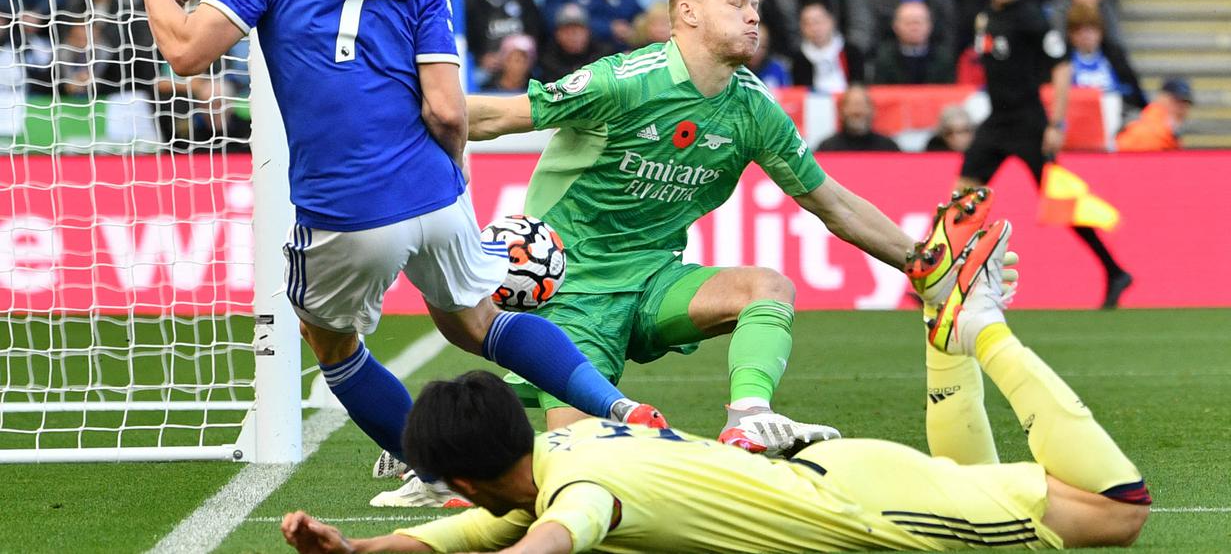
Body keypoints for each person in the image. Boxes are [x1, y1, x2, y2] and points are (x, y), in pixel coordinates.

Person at [139, 0, 667, 498]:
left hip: (346, 204)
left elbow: (188, 53)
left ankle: (440, 472)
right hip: (433, 189)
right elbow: (446, 109)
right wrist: (455, 180)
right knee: (479, 322)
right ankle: (616, 407)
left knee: (329, 341)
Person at [282, 223, 1152, 553]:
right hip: (849, 476)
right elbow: (450, 540)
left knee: (1117, 511)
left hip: (868, 511)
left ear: (469, 479)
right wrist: (355, 553)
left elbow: (537, 548)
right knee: (976, 491)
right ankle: (947, 349)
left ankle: (979, 332)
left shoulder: (577, 495)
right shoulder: (563, 447)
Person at [460, 0, 950, 461]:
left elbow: (834, 204)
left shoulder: (754, 110)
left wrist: (925, 264)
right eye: (736, 3)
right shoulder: (624, 82)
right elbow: (497, 116)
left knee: (767, 287)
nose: (753, 16)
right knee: (578, 458)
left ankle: (750, 419)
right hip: (577, 294)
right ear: (688, 13)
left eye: (756, 7)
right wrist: (405, 110)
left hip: (655, 281)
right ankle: (444, 450)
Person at [959, 0, 1132, 308]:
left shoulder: (1032, 18)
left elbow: (1062, 66)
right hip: (997, 122)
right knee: (961, 198)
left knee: (1061, 204)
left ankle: (1114, 270)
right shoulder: (985, 16)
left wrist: (1057, 123)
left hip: (1029, 124)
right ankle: (940, 278)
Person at [465, 0, 544, 89]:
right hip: (484, 70)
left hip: (523, 67)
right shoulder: (470, 3)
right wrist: (480, 58)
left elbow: (537, 34)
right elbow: (464, 42)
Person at [1065, 3, 1146, 112]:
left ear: (1100, 31)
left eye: (1090, 30)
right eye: (1079, 31)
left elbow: (1133, 90)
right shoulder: (1064, 60)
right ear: (1071, 35)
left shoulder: (1114, 56)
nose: (1085, 36)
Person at [872, 1, 954, 84]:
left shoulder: (943, 58)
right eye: (908, 23)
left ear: (930, 26)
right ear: (895, 26)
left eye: (919, 22)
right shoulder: (884, 58)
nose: (914, 28)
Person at [789, 1, 860, 92]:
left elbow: (858, 87)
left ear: (831, 21)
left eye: (818, 22)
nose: (814, 29)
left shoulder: (851, 52)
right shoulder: (799, 58)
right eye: (808, 24)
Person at [537, 3, 612, 83]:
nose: (573, 36)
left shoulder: (604, 55)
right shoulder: (547, 60)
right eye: (567, 31)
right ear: (558, 34)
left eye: (577, 30)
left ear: (588, 32)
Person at [1116, 77, 1193, 152]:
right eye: (1176, 101)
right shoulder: (1149, 132)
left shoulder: (1167, 132)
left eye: (1186, 104)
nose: (1182, 109)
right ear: (1162, 98)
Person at [817, 85, 901, 151]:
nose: (857, 111)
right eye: (852, 105)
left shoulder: (888, 148)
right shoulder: (827, 148)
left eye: (862, 104)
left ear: (873, 111)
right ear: (841, 111)